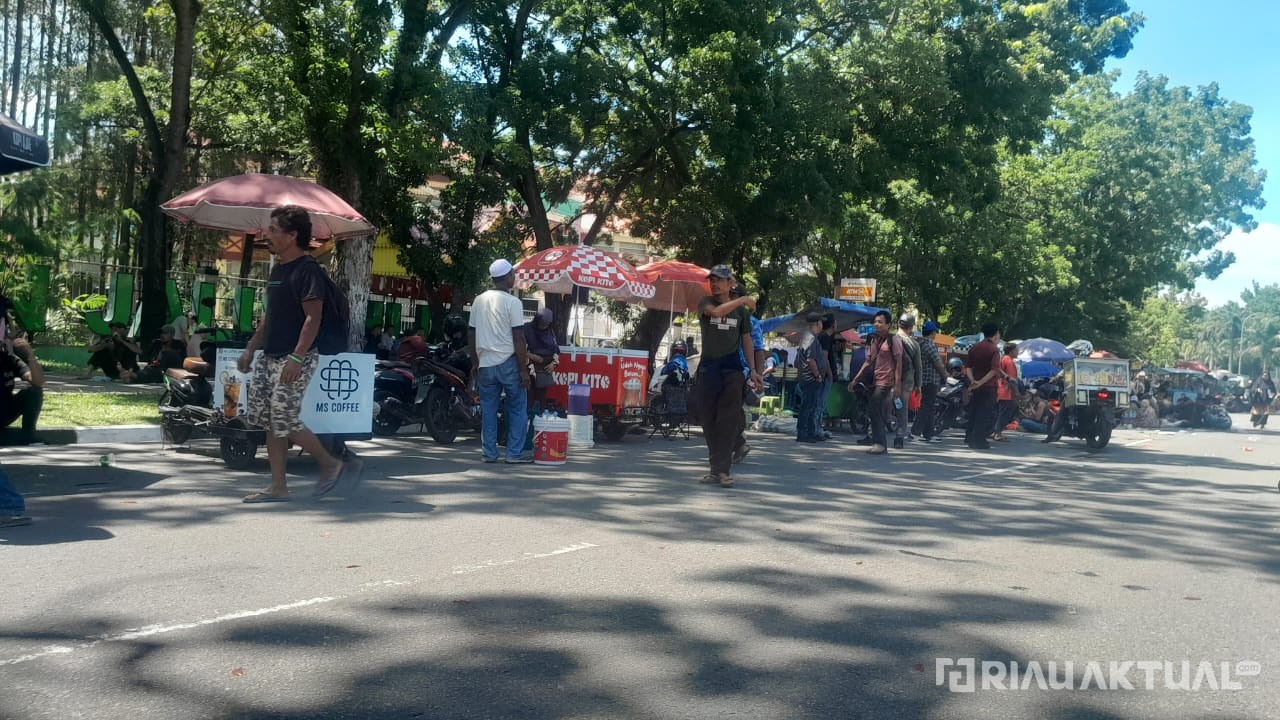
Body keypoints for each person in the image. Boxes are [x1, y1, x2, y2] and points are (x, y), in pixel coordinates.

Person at [237, 205, 356, 503]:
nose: (267, 235)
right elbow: (270, 316)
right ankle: (278, 486)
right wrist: (251, 347)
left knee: (284, 418)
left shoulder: (308, 270)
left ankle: (330, 463)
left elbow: (313, 318)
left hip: (296, 357)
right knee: (270, 421)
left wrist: (297, 357)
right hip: (270, 355)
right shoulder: (278, 270)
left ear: (292, 235)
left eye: (273, 230)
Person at [694, 265, 761, 488]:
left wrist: (753, 370)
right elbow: (717, 313)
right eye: (712, 280)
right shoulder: (705, 302)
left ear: (731, 282)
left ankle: (722, 471)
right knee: (708, 420)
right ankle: (715, 469)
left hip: (732, 370)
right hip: (708, 368)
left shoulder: (741, 313)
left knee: (728, 421)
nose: (714, 284)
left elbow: (747, 340)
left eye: (719, 280)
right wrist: (743, 300)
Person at [468, 258, 532, 463]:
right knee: (517, 408)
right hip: (509, 363)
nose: (514, 277)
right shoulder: (513, 302)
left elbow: (471, 334)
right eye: (513, 274)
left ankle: (489, 453)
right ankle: (514, 454)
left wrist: (475, 362)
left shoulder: (479, 300)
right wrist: (523, 370)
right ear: (507, 277)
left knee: (488, 410)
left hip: (486, 364)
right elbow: (519, 337)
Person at [848, 310, 902, 455]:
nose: (877, 324)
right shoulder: (874, 340)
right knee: (875, 410)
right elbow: (868, 362)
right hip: (874, 380)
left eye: (880, 322)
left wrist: (898, 385)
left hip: (886, 381)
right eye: (875, 322)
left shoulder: (894, 340)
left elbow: (899, 363)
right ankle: (879, 442)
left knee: (874, 408)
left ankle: (880, 444)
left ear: (888, 325)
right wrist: (855, 380)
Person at [732, 284, 766, 463]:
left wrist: (758, 375)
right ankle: (738, 443)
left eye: (734, 296)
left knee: (733, 408)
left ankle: (738, 443)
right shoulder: (721, 317)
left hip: (742, 372)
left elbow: (758, 350)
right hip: (722, 369)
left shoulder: (752, 322)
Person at [0, 333, 44, 445]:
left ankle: (28, 436)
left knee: (34, 391)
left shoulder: (9, 359)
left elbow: (38, 381)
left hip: (4, 411)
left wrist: (30, 354)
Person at [965, 322, 1002, 450]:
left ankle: (969, 437)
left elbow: (968, 367)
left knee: (974, 412)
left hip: (976, 386)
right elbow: (994, 370)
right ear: (995, 334)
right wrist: (980, 382)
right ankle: (979, 440)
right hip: (989, 386)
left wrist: (973, 381)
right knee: (984, 414)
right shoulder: (994, 350)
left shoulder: (974, 347)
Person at [911, 320, 948, 443]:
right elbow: (938, 364)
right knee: (926, 407)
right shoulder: (930, 345)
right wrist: (945, 376)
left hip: (922, 380)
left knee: (930, 407)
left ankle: (929, 434)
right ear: (932, 333)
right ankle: (915, 432)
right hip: (931, 380)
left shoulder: (920, 345)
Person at [795, 312, 827, 443]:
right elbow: (810, 360)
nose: (822, 325)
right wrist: (817, 375)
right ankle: (803, 433)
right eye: (821, 322)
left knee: (811, 406)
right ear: (817, 323)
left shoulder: (806, 336)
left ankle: (810, 432)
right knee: (808, 406)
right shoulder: (811, 338)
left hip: (806, 377)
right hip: (810, 378)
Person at [524, 308, 560, 410]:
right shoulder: (527, 329)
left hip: (544, 372)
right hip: (528, 371)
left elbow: (556, 351)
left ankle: (539, 417)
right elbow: (519, 349)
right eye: (542, 323)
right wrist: (532, 356)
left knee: (541, 401)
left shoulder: (550, 332)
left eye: (547, 324)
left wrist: (554, 364)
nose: (544, 326)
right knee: (528, 400)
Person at [894, 314, 922, 449]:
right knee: (902, 407)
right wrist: (918, 385)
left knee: (882, 404)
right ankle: (899, 437)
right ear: (911, 327)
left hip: (889, 378)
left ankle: (873, 433)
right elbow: (918, 367)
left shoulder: (890, 339)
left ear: (898, 324)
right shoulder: (914, 344)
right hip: (906, 379)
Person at [992, 341, 1021, 441]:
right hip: (1007, 392)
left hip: (1001, 390)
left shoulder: (1003, 359)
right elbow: (1012, 379)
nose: (1018, 352)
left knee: (1000, 413)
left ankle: (996, 432)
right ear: (1011, 351)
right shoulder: (1009, 362)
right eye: (1016, 350)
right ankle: (998, 433)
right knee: (1005, 414)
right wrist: (1016, 392)